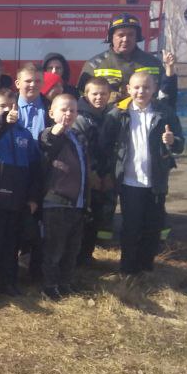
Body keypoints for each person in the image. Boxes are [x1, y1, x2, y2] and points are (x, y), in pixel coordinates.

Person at [99, 71, 184, 274]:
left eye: (146, 87)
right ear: (128, 89)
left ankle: (145, 268)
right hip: (129, 182)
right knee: (131, 227)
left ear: (154, 89)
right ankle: (128, 270)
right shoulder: (117, 114)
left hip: (156, 181)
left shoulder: (165, 113)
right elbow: (104, 145)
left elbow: (180, 145)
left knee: (153, 228)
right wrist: (107, 172)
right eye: (136, 87)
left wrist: (173, 142)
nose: (141, 91)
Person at [0, 89, 41, 298]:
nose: (9, 110)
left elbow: (34, 166)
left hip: (18, 196)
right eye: (3, 106)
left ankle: (10, 281)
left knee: (12, 242)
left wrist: (32, 197)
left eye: (12, 106)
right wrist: (3, 120)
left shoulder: (24, 133)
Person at [38, 94, 88, 299]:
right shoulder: (51, 134)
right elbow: (47, 141)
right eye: (63, 110)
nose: (68, 114)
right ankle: (49, 286)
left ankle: (65, 282)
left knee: (71, 247)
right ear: (51, 113)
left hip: (77, 202)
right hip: (56, 202)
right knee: (54, 248)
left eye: (72, 110)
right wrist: (55, 131)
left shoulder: (76, 137)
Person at [77, 14, 177, 102]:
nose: (125, 39)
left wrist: (170, 70)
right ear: (111, 37)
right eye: (121, 35)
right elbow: (82, 98)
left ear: (137, 37)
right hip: (108, 121)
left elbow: (167, 93)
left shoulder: (153, 63)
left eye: (130, 35)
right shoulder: (95, 65)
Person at [74, 77, 114, 264]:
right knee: (83, 217)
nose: (99, 97)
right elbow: (81, 150)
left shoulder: (113, 116)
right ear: (86, 95)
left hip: (105, 175)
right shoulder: (79, 118)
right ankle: (76, 256)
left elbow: (114, 147)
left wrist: (108, 174)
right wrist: (91, 174)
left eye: (103, 94)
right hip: (84, 176)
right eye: (95, 94)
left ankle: (87, 255)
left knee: (97, 215)